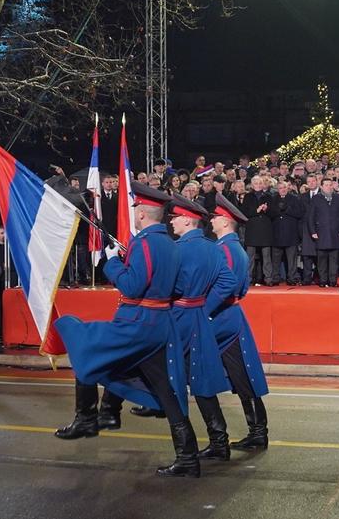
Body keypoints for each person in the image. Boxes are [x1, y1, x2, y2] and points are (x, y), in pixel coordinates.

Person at [55, 183, 200, 478]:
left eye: (135, 209)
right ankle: (187, 456)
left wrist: (112, 263)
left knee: (83, 343)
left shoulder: (145, 243)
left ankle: (92, 417)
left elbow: (132, 286)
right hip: (158, 325)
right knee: (166, 391)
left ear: (143, 214)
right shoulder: (170, 244)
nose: (133, 213)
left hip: (138, 325)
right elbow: (178, 287)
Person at [168, 193, 237, 460]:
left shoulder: (177, 249)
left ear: (187, 221)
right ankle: (219, 442)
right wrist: (204, 306)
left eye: (175, 218)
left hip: (177, 318)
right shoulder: (212, 247)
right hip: (198, 316)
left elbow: (167, 285)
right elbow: (227, 282)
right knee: (202, 382)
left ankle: (186, 453)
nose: (171, 222)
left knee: (170, 382)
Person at [209, 193, 270, 451]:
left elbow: (228, 286)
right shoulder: (233, 249)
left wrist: (203, 309)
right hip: (229, 314)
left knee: (243, 377)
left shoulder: (226, 250)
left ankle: (257, 432)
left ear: (224, 221)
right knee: (242, 375)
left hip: (223, 317)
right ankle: (256, 431)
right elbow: (241, 288)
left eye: (215, 217)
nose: (211, 220)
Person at [307, 178, 339, 288]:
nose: (329, 187)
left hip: (336, 233)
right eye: (326, 185)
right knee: (322, 260)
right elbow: (311, 217)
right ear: (322, 186)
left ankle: (333, 281)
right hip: (321, 233)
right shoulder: (316, 198)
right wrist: (313, 231)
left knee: (334, 260)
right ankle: (323, 281)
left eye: (330, 185)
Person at [240, 176, 276, 285]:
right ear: (252, 184)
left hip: (265, 230)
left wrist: (267, 210)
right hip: (252, 230)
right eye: (256, 183)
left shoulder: (268, 196)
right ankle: (248, 279)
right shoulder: (247, 196)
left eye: (260, 183)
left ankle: (268, 279)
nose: (258, 185)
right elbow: (244, 213)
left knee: (267, 257)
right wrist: (257, 210)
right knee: (250, 257)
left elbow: (274, 213)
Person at [270, 180, 304, 285]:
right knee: (275, 259)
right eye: (280, 188)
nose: (283, 190)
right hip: (276, 234)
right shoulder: (273, 199)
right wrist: (278, 211)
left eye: (284, 188)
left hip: (291, 233)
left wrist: (287, 209)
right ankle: (275, 278)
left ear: (287, 188)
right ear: (277, 189)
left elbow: (300, 213)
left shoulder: (294, 199)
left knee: (292, 259)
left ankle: (292, 278)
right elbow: (270, 214)